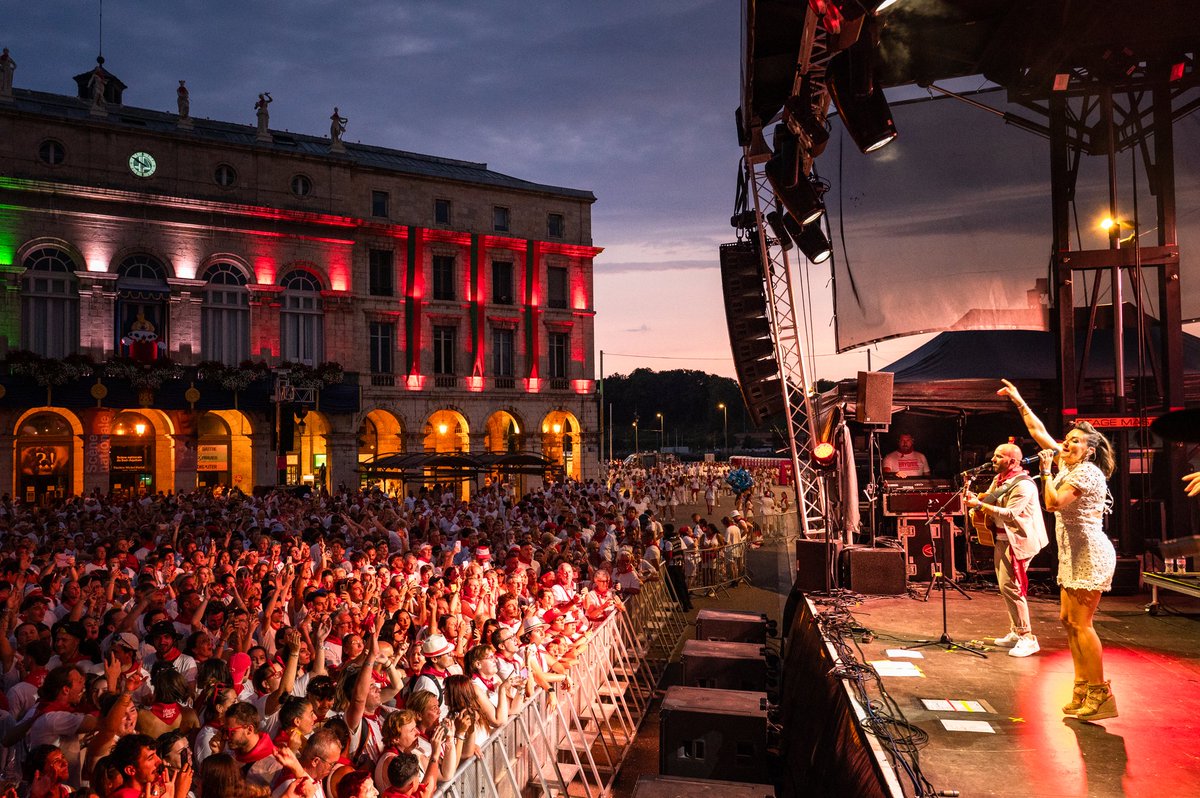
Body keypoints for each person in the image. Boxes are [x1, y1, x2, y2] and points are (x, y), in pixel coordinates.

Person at [999, 378, 1117, 720]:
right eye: (1068, 439)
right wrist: (1019, 400)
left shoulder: (1089, 474)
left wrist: (1047, 469)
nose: (1067, 444)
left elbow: (1052, 503)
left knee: (1083, 624)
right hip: (1072, 553)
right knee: (1068, 620)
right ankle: (1081, 688)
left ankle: (1101, 693)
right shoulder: (1070, 465)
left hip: (1091, 554)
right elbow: (1038, 432)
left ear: (1090, 449)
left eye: (1076, 442)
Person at [963, 443, 1048, 657]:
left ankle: (1027, 637)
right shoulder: (1000, 480)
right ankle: (1016, 631)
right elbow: (990, 499)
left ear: (1013, 462)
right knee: (1005, 586)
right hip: (1002, 539)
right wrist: (976, 498)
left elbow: (1010, 513)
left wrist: (980, 506)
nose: (993, 459)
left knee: (1012, 587)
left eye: (999, 457)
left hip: (1019, 541)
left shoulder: (1024, 486)